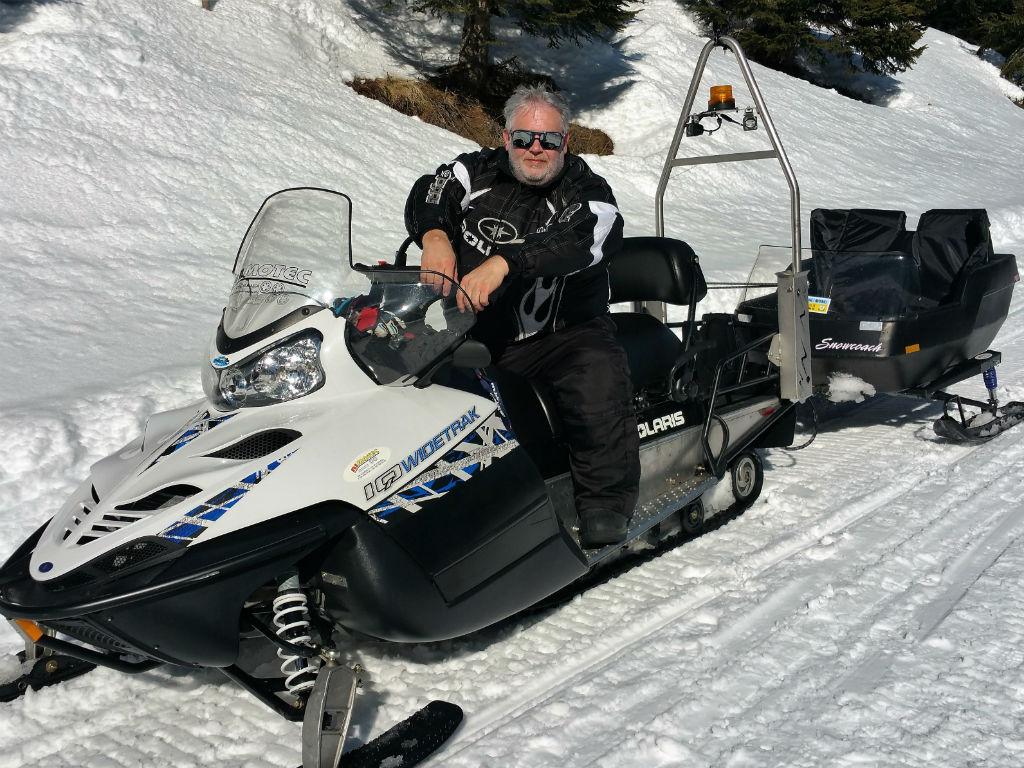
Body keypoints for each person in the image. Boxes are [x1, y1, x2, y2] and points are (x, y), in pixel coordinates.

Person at [404, 85, 640, 548]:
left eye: (549, 140)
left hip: (562, 334)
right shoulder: (476, 170)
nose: (536, 149)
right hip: (473, 327)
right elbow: (433, 190)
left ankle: (603, 506)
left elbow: (588, 233)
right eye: (525, 138)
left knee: (596, 380)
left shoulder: (587, 190)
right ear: (506, 136)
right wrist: (434, 235)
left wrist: (505, 262)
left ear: (565, 143)